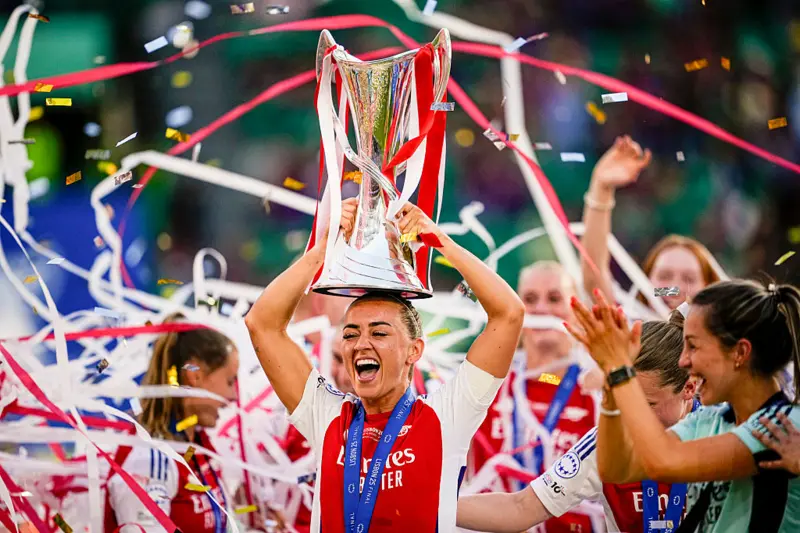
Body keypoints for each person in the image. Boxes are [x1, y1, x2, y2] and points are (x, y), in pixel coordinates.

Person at [245, 198, 525, 532]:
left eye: (379, 333)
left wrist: (440, 241)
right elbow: (262, 324)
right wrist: (323, 251)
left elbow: (509, 314)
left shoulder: (446, 416)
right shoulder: (327, 416)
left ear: (414, 350)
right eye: (350, 334)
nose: (361, 344)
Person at [565, 282, 800, 532]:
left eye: (693, 346)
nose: (683, 361)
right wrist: (611, 391)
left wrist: (620, 371)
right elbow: (615, 470)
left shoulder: (783, 425)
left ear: (740, 353)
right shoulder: (709, 420)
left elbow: (662, 462)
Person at [457, 309, 697, 532]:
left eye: (646, 404)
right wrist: (437, 507)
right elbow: (521, 507)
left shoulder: (716, 430)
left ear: (689, 388)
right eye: (623, 400)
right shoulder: (606, 436)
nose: (631, 416)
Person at [468, 261, 599, 532]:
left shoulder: (596, 392)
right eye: (529, 299)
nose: (541, 309)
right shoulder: (486, 386)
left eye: (554, 298)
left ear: (577, 311)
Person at [103, 316, 268, 532]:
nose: (233, 396)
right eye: (229, 382)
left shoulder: (197, 446)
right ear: (194, 376)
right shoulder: (149, 457)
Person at [580, 136, 720, 310]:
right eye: (664, 276)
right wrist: (602, 188)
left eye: (689, 279)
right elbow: (594, 278)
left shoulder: (731, 328)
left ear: (709, 288)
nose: (674, 288)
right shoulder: (626, 324)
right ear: (645, 283)